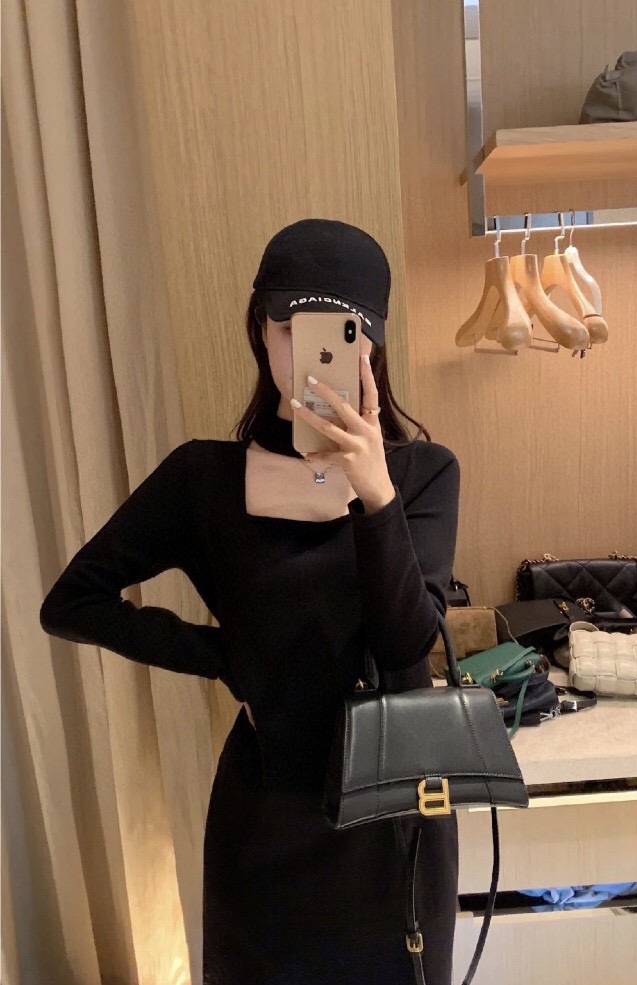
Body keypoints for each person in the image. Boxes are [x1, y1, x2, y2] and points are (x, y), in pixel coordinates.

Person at [39, 218, 461, 985]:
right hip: (269, 818)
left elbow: (406, 642)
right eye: (290, 326)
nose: (309, 353)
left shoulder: (422, 474)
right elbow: (72, 600)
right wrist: (222, 655)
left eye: (341, 331)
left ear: (372, 345)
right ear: (260, 331)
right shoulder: (205, 480)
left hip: (395, 817)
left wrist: (374, 493)